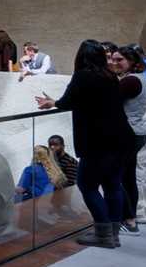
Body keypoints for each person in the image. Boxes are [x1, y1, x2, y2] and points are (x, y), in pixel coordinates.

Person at [35, 39, 134, 248]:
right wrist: (56, 102)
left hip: (98, 142)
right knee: (113, 185)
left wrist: (53, 103)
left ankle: (103, 234)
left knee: (87, 185)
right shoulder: (110, 76)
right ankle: (113, 233)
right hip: (121, 138)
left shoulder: (83, 75)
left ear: (81, 57)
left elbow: (68, 101)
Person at [113, 45, 146, 233]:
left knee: (115, 177)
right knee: (127, 177)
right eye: (113, 59)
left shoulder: (130, 81)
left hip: (127, 134)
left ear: (133, 61)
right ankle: (130, 219)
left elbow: (108, 101)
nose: (114, 63)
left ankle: (127, 219)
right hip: (135, 133)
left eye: (119, 59)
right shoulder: (139, 78)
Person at [47, 135, 79, 216]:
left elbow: (70, 185)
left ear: (63, 146)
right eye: (50, 145)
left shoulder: (69, 161)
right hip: (56, 196)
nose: (52, 147)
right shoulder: (53, 159)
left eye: (56, 145)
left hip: (67, 198)